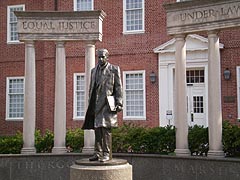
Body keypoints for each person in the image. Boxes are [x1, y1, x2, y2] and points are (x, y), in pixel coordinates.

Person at [82, 48, 123, 162]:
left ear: (107, 57)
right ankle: (98, 153)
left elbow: (118, 87)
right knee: (97, 129)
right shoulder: (93, 71)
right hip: (96, 103)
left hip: (107, 103)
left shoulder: (114, 69)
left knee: (105, 129)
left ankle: (106, 153)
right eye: (98, 57)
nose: (100, 59)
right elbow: (92, 88)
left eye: (102, 57)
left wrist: (119, 103)